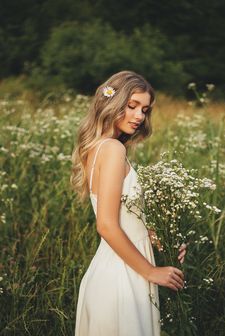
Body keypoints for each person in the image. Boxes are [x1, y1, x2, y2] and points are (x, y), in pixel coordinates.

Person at [70, 70, 187, 336]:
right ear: (112, 103)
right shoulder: (112, 150)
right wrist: (151, 271)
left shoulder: (99, 147)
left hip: (119, 269)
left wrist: (163, 241)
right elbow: (107, 225)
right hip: (121, 278)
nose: (139, 116)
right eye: (132, 106)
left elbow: (127, 218)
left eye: (144, 110)